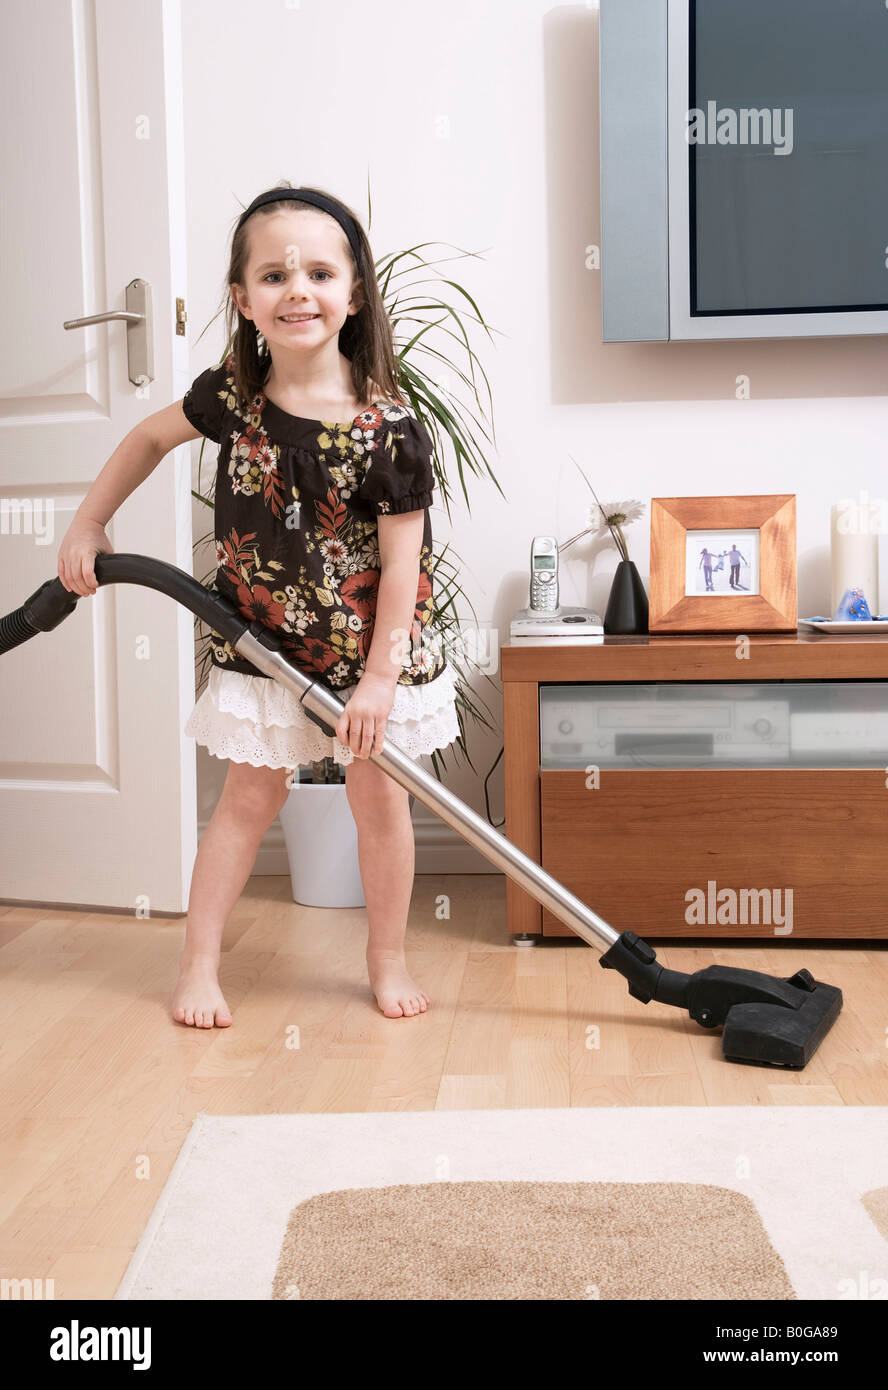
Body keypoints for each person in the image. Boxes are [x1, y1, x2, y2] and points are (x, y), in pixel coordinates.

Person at [56, 182, 461, 1028]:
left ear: (354, 295)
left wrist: (380, 682)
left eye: (319, 272)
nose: (298, 290)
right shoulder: (232, 399)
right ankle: (199, 964)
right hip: (260, 642)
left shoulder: (389, 427)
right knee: (248, 797)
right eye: (273, 276)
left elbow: (401, 569)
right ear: (243, 299)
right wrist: (91, 522)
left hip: (364, 661)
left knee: (378, 799)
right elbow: (146, 439)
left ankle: (385, 960)